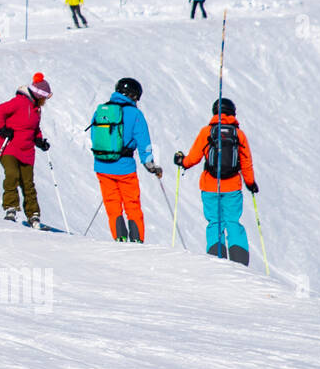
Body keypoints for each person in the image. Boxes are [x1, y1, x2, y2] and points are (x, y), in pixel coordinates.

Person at [174, 98, 257, 265]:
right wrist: (250, 183)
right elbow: (246, 162)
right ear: (232, 113)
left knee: (214, 223)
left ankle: (217, 260)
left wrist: (182, 161)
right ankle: (240, 262)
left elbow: (193, 158)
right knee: (233, 222)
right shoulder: (238, 135)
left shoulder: (207, 132)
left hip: (210, 186)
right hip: (232, 186)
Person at [89, 77, 163, 243]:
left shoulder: (101, 110)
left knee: (112, 204)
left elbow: (94, 136)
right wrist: (150, 164)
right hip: (125, 168)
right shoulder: (135, 114)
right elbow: (144, 142)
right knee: (132, 204)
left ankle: (119, 238)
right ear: (133, 95)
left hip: (102, 166)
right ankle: (137, 239)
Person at [0, 73, 53, 227]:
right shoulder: (19, 102)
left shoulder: (36, 109)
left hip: (27, 150)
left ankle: (34, 215)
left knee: (28, 183)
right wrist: (2, 129)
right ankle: (11, 207)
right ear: (39, 95)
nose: (46, 101)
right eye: (45, 97)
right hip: (9, 146)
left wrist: (39, 140)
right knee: (12, 174)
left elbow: (34, 128)